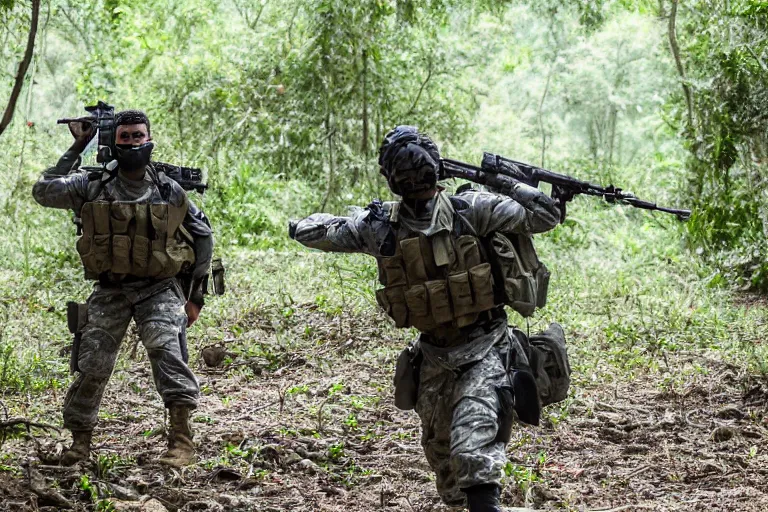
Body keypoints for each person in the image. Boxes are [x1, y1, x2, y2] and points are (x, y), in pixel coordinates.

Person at [289, 126, 570, 512]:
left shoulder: (471, 209)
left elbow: (545, 215)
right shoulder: (380, 227)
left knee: (473, 453)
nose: (415, 183)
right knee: (450, 475)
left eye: (417, 173)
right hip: (434, 359)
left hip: (486, 347)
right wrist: (323, 221)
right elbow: (313, 231)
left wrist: (500, 182)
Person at [32, 109, 214, 467]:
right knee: (92, 362)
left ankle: (181, 444)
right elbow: (42, 190)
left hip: (159, 288)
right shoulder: (92, 184)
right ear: (114, 143)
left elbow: (203, 238)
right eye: (124, 137)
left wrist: (195, 298)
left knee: (169, 355)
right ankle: (79, 445)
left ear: (149, 141)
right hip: (111, 288)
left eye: (137, 136)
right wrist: (79, 145)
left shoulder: (167, 188)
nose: (132, 143)